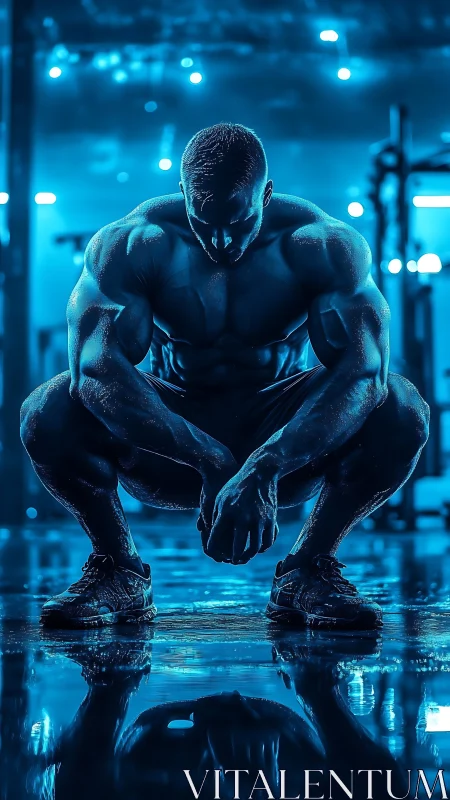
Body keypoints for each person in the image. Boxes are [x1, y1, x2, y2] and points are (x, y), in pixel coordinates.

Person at [20, 122, 429, 630]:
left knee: (400, 405)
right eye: (203, 221)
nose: (220, 240)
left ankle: (308, 569)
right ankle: (117, 569)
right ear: (184, 196)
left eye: (238, 222)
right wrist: (207, 457)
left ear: (268, 193)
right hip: (173, 439)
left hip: (280, 432)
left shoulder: (322, 246)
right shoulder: (133, 244)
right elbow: (96, 370)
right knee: (48, 409)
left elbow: (364, 372)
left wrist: (266, 465)